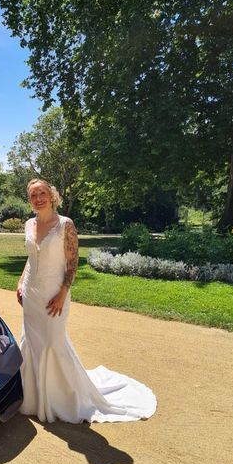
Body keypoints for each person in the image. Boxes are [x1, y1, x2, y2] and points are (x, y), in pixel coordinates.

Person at [17, 179, 156, 423]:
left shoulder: (65, 225)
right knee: (32, 344)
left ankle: (64, 399)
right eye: (33, 195)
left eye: (42, 193)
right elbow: (31, 258)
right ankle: (35, 398)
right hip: (31, 294)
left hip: (54, 294)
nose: (38, 199)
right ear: (29, 200)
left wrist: (63, 293)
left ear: (51, 196)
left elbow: (72, 263)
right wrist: (20, 282)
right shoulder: (29, 224)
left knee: (53, 342)